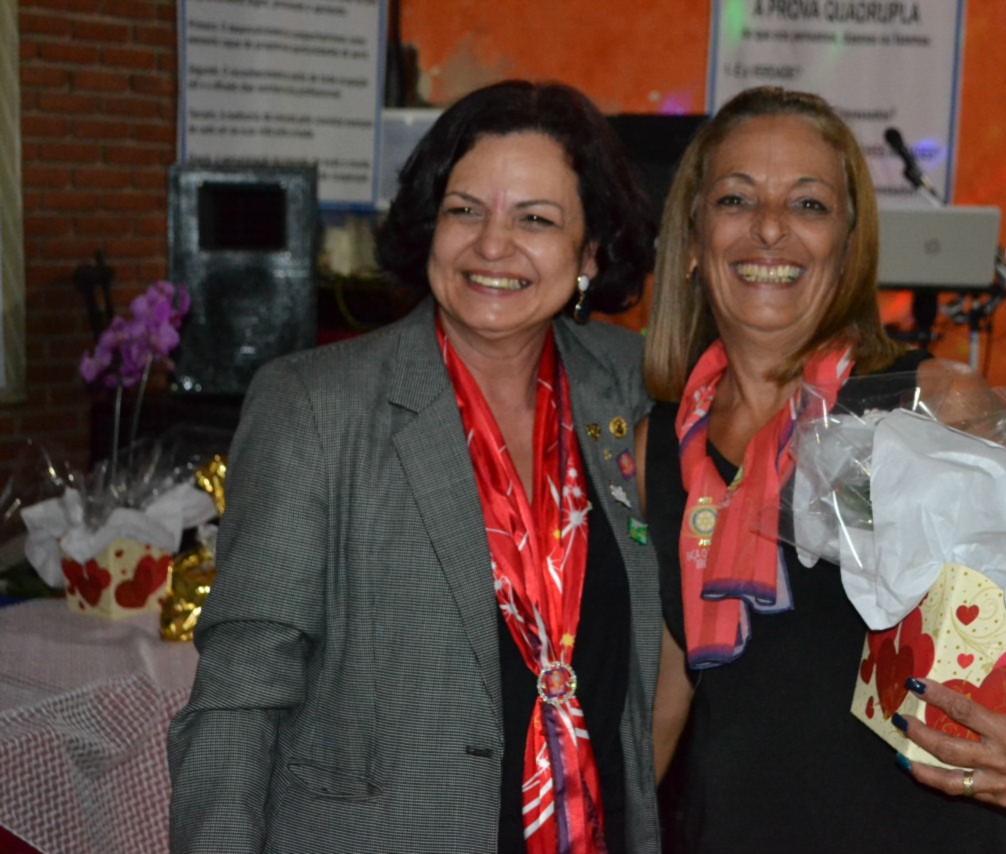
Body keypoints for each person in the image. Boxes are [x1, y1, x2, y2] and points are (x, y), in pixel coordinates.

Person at [168, 80, 663, 854]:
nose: (492, 245)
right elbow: (240, 693)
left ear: (591, 252)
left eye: (535, 219)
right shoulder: (316, 406)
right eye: (465, 210)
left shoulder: (631, 385)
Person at [640, 86, 1006, 854]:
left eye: (809, 204)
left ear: (849, 244)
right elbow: (666, 695)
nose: (770, 228)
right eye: (736, 199)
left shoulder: (933, 403)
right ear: (693, 238)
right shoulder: (661, 447)